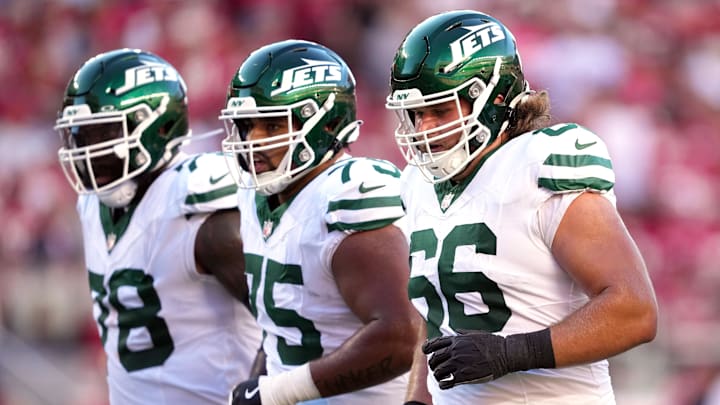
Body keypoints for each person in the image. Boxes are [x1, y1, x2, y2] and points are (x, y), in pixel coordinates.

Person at [384, 10, 658, 405]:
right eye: (415, 114)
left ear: (494, 98)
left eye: (440, 110)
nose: (424, 129)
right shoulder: (417, 184)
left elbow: (634, 311)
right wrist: (416, 398)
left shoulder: (538, 166)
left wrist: (512, 352)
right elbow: (434, 318)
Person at [53, 48, 262, 404]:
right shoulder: (92, 203)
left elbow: (290, 324)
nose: (87, 152)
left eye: (103, 135)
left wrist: (261, 391)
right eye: (80, 136)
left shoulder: (198, 209)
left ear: (158, 127)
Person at [219, 39, 422, 405]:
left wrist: (280, 392)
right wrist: (260, 385)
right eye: (247, 126)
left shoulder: (349, 195)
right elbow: (281, 329)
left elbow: (402, 335)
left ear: (324, 122)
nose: (253, 141)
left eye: (272, 125)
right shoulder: (255, 196)